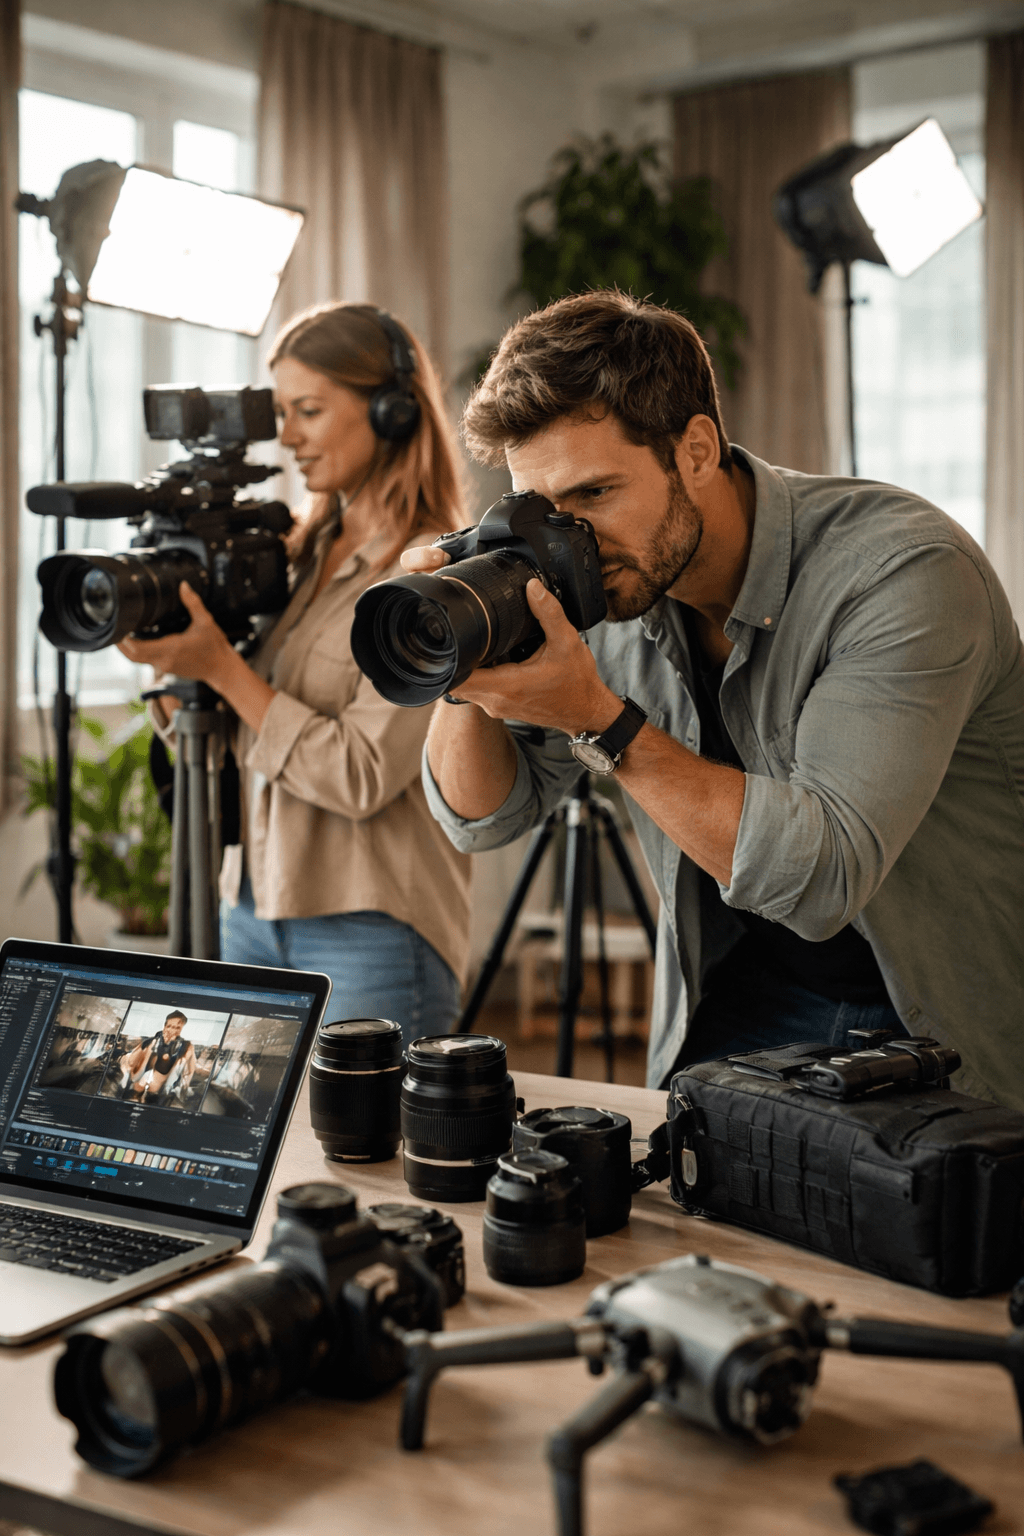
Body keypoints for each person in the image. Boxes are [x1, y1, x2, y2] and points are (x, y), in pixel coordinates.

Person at [409, 290, 1024, 1108]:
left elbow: (821, 879)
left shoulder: (902, 570)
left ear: (696, 449)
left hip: (941, 1019)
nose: (571, 540)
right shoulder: (611, 583)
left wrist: (601, 720)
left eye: (595, 494)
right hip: (742, 994)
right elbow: (484, 816)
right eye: (545, 509)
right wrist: (463, 655)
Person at [120, 303, 472, 1045]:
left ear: (392, 411)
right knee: (262, 1160)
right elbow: (246, 733)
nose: (285, 437)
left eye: (308, 410)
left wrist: (221, 666)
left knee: (367, 1161)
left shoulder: (437, 573)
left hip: (368, 928)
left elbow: (361, 771)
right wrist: (175, 672)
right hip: (250, 907)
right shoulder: (299, 553)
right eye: (279, 411)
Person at [122, 1010, 196, 1103]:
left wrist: (180, 1092)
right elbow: (130, 1062)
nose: (173, 1030)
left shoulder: (186, 1048)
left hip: (159, 1095)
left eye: (177, 1028)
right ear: (165, 1026)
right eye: (170, 1026)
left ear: (182, 1029)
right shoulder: (149, 1042)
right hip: (135, 1089)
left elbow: (188, 1072)